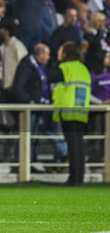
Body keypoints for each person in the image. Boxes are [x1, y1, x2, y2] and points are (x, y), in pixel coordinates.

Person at [47, 41, 91, 186]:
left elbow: (50, 76)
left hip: (68, 109)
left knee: (72, 146)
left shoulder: (65, 67)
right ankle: (79, 177)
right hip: (82, 110)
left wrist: (57, 60)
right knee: (79, 145)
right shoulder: (83, 68)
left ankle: (73, 178)